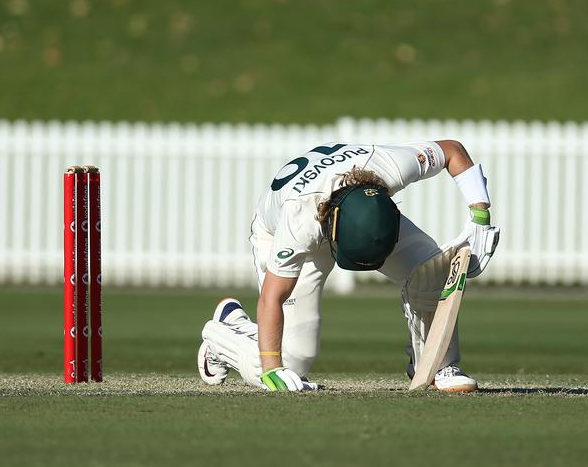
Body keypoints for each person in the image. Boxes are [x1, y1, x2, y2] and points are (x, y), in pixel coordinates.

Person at [198, 140, 500, 392]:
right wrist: (272, 369)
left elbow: (452, 151)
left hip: (350, 203)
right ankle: (227, 331)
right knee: (292, 362)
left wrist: (480, 217)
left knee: (430, 268)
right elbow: (271, 298)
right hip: (285, 226)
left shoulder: (389, 165)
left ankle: (437, 365)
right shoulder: (297, 220)